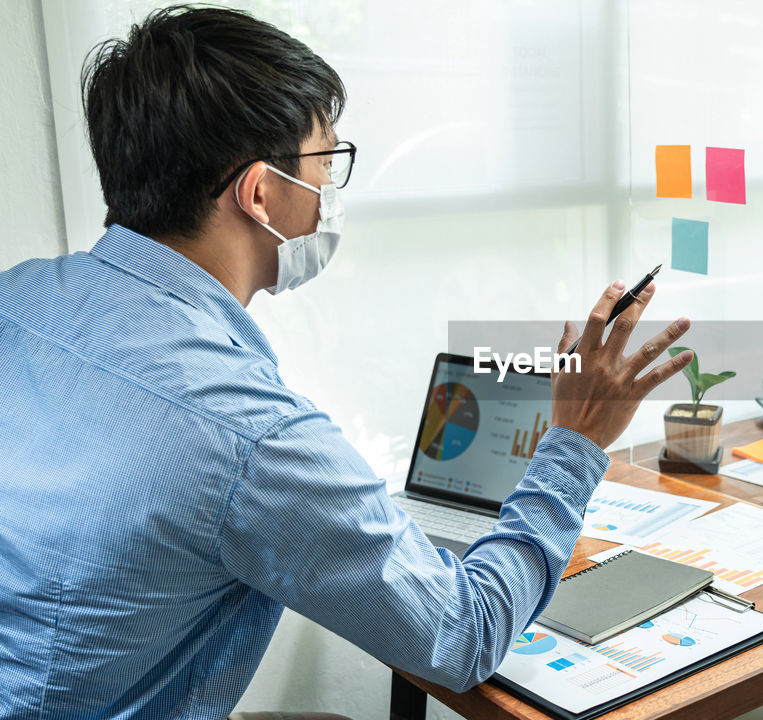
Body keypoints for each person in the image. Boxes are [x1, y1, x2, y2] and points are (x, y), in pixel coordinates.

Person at [0, 6, 692, 719]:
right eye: (325, 163)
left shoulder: (17, 298)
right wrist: (576, 440)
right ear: (260, 191)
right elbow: (464, 634)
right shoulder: (249, 434)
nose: (331, 189)